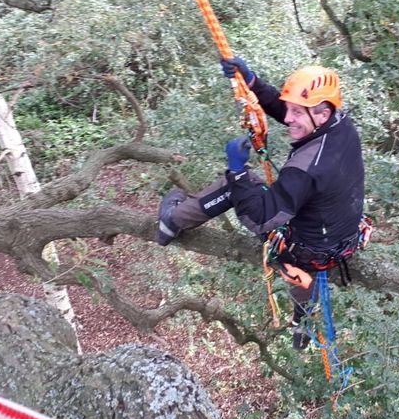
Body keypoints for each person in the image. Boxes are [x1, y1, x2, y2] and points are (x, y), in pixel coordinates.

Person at [154, 57, 366, 350]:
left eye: (296, 112)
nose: (288, 118)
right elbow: (290, 112)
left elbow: (260, 218)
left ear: (322, 111)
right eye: (289, 109)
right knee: (308, 260)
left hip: (308, 246)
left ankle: (172, 221)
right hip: (342, 236)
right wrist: (252, 83)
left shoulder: (304, 169)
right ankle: (301, 327)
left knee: (241, 185)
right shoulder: (340, 125)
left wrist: (237, 170)